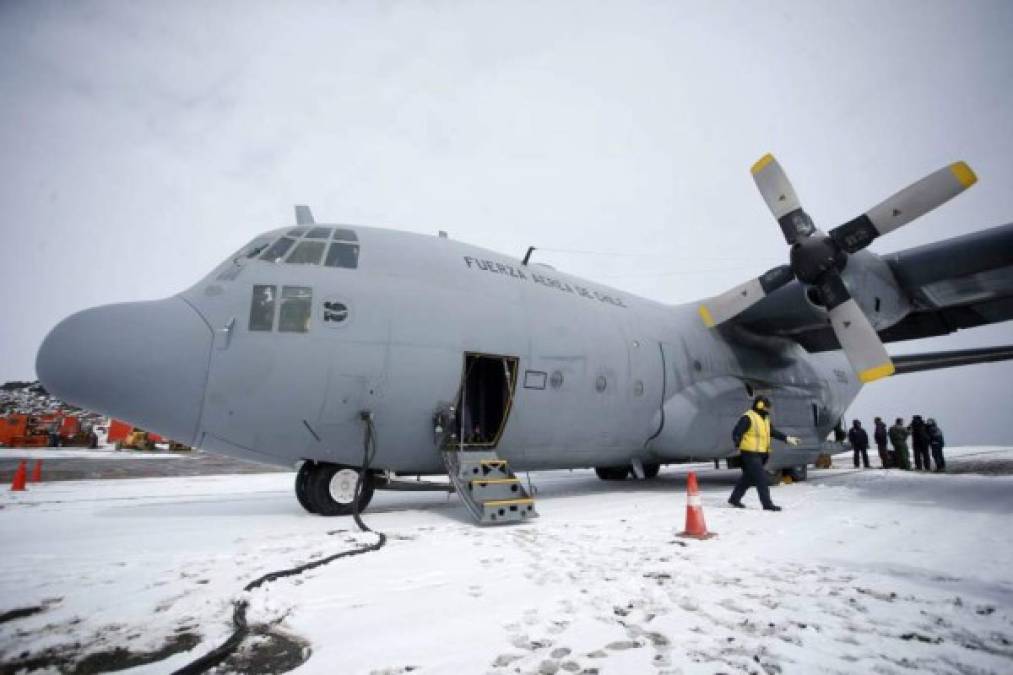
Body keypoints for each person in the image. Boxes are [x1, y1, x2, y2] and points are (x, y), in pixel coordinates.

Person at [728, 396, 800, 512]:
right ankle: (767, 504)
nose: (769, 409)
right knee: (761, 478)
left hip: (761, 454)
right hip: (750, 453)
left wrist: (787, 438)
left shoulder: (765, 418)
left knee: (748, 478)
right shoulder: (748, 417)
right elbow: (736, 432)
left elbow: (772, 432)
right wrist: (737, 442)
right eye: (767, 407)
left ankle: (734, 499)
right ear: (760, 405)